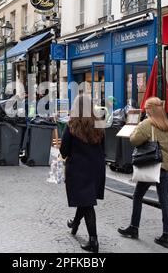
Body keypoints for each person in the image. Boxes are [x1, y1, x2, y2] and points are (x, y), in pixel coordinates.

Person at [118, 97, 168, 249]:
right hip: (165, 167)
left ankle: (134, 228)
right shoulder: (167, 125)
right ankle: (166, 236)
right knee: (165, 202)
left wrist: (136, 128)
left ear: (149, 110)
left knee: (137, 196)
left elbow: (134, 140)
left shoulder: (147, 123)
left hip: (152, 166)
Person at [60, 94, 105, 253]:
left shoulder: (72, 125)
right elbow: (103, 148)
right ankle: (75, 224)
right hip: (96, 168)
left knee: (87, 203)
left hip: (79, 169)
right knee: (85, 199)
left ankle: (93, 241)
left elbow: (64, 151)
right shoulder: (99, 122)